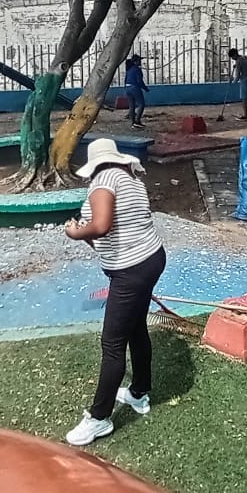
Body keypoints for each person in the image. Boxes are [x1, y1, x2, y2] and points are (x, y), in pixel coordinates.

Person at [63, 139, 166, 447]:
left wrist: (75, 232)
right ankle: (138, 393)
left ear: (95, 164)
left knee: (112, 344)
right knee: (135, 328)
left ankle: (99, 418)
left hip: (131, 270)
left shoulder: (104, 180)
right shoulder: (131, 179)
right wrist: (87, 234)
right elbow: (113, 232)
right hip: (150, 258)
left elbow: (101, 226)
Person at [228, 48, 247, 120]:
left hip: (244, 81)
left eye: (232, 57)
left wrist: (232, 82)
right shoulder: (245, 58)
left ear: (234, 55)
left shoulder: (238, 61)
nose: (232, 59)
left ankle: (246, 114)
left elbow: (237, 76)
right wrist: (237, 66)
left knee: (244, 98)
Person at [125, 54, 150, 129]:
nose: (140, 62)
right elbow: (139, 81)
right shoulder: (137, 69)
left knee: (131, 106)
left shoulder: (129, 69)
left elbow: (125, 80)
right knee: (141, 104)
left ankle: (133, 123)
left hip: (127, 88)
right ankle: (137, 121)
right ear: (135, 62)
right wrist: (145, 88)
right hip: (134, 88)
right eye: (139, 61)